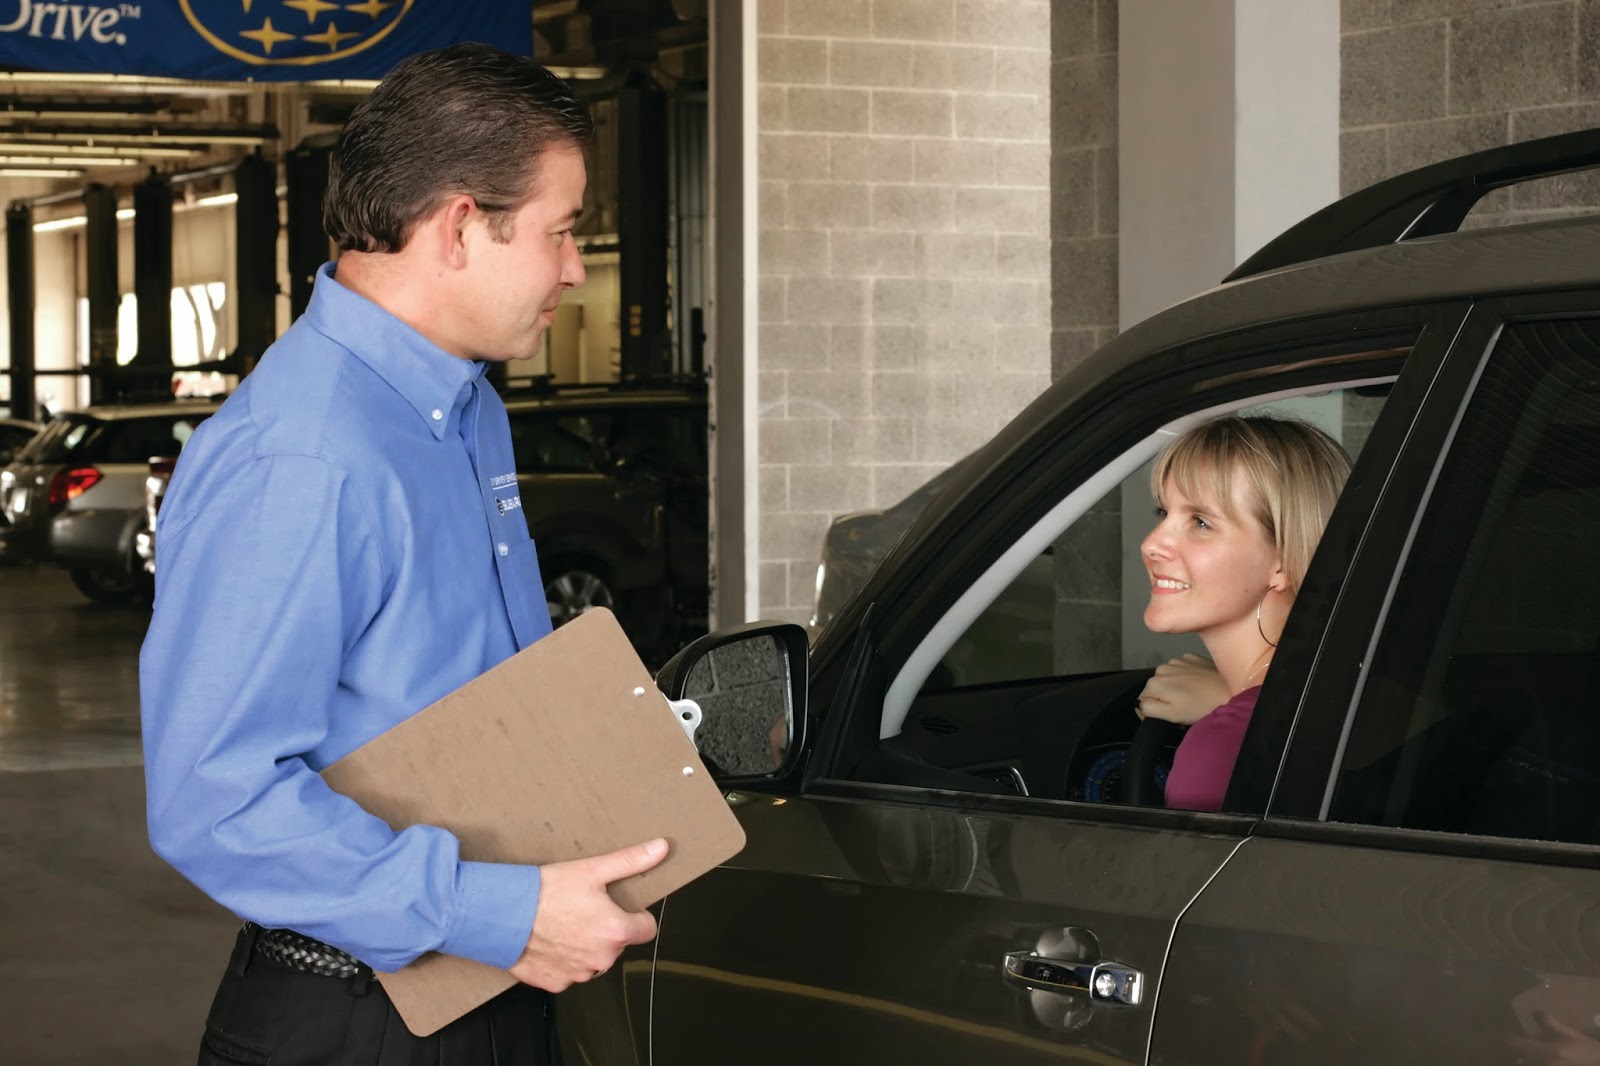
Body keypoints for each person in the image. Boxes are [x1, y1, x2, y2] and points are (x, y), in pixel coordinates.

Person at [140, 44, 669, 1065]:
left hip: (496, 982)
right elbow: (217, 794)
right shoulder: (303, 454)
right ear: (461, 226)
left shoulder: (463, 407)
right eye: (561, 231)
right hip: (356, 1020)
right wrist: (496, 911)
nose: (574, 266)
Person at [1132, 415, 1351, 811]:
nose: (1151, 544)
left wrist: (1231, 719)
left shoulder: (1223, 750)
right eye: (1163, 513)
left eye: (1200, 522)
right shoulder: (1369, 694)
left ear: (1283, 559)